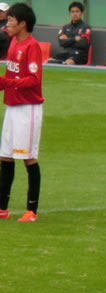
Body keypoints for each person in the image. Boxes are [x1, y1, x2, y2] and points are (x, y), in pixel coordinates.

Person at [0, 3, 43, 223]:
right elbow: (11, 75)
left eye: (10, 19)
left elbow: (34, 80)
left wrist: (7, 83)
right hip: (12, 106)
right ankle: (2, 208)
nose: (7, 23)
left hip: (28, 108)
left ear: (22, 23)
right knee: (5, 156)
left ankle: (31, 210)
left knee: (28, 158)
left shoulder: (32, 46)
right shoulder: (13, 42)